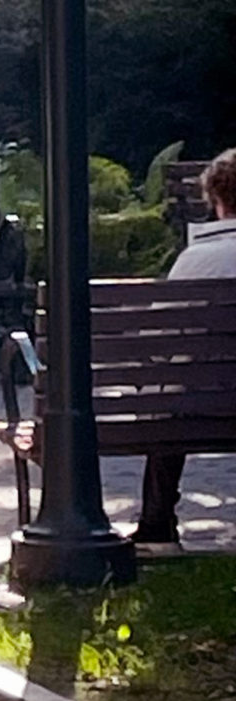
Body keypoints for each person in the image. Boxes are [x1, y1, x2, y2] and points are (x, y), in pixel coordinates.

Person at [133, 145, 236, 545]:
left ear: (215, 201)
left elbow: (162, 347)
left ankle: (156, 523)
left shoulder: (193, 261)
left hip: (196, 408)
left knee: (171, 400)